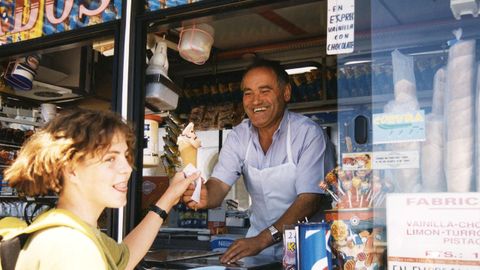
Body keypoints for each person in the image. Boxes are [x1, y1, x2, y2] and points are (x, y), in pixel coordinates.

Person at [4, 108, 199, 270]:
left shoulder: (73, 229)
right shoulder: (72, 248)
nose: (127, 168)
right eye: (110, 159)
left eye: (125, 156)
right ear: (71, 169)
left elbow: (125, 257)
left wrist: (170, 196)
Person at [182, 59, 336, 263]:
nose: (255, 101)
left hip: (307, 248)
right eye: (248, 93)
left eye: (265, 91)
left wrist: (263, 239)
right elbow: (218, 185)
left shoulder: (308, 134)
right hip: (258, 252)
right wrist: (203, 195)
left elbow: (309, 200)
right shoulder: (239, 136)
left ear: (286, 93)